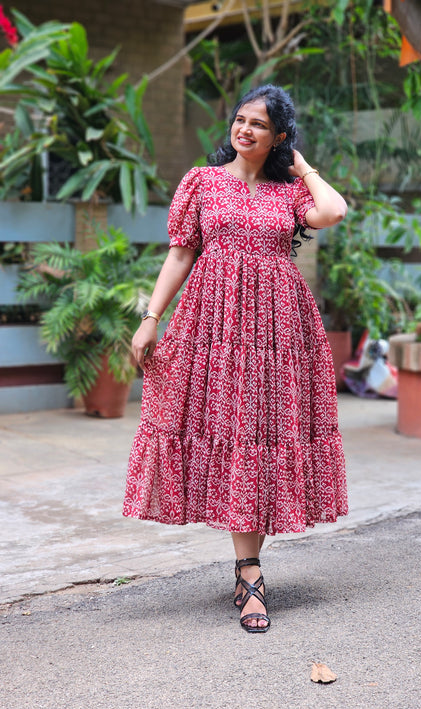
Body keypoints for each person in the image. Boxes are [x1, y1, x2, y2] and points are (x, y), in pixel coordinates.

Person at [123, 84, 349, 633]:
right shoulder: (202, 181)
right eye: (241, 119)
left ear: (279, 137)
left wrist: (301, 167)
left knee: (263, 436)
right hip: (214, 327)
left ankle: (249, 570)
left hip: (278, 330)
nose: (245, 130)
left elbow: (333, 210)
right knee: (233, 431)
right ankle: (250, 573)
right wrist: (151, 317)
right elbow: (181, 253)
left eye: (260, 124)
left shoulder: (288, 192)